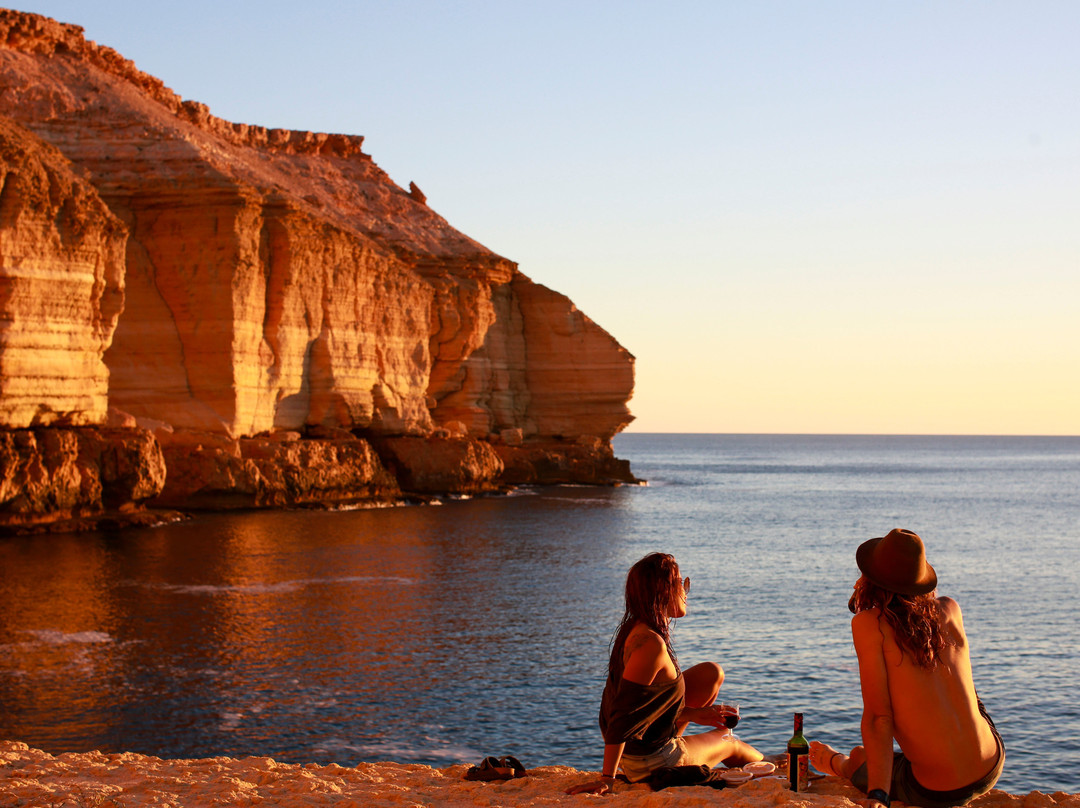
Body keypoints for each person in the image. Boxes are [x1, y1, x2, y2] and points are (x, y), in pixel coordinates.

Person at [809, 529, 1004, 808]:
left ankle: (833, 761)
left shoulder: (870, 624)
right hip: (991, 762)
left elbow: (879, 718)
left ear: (871, 579)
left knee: (857, 758)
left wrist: (878, 794)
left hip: (939, 790)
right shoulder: (949, 608)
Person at [566, 552, 763, 795]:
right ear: (663, 590)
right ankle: (771, 765)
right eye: (681, 583)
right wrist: (608, 778)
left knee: (711, 673)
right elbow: (621, 716)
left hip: (645, 746)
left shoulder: (636, 629)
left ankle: (676, 742)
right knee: (728, 741)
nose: (685, 591)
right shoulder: (650, 645)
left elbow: (645, 704)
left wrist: (694, 714)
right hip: (651, 763)